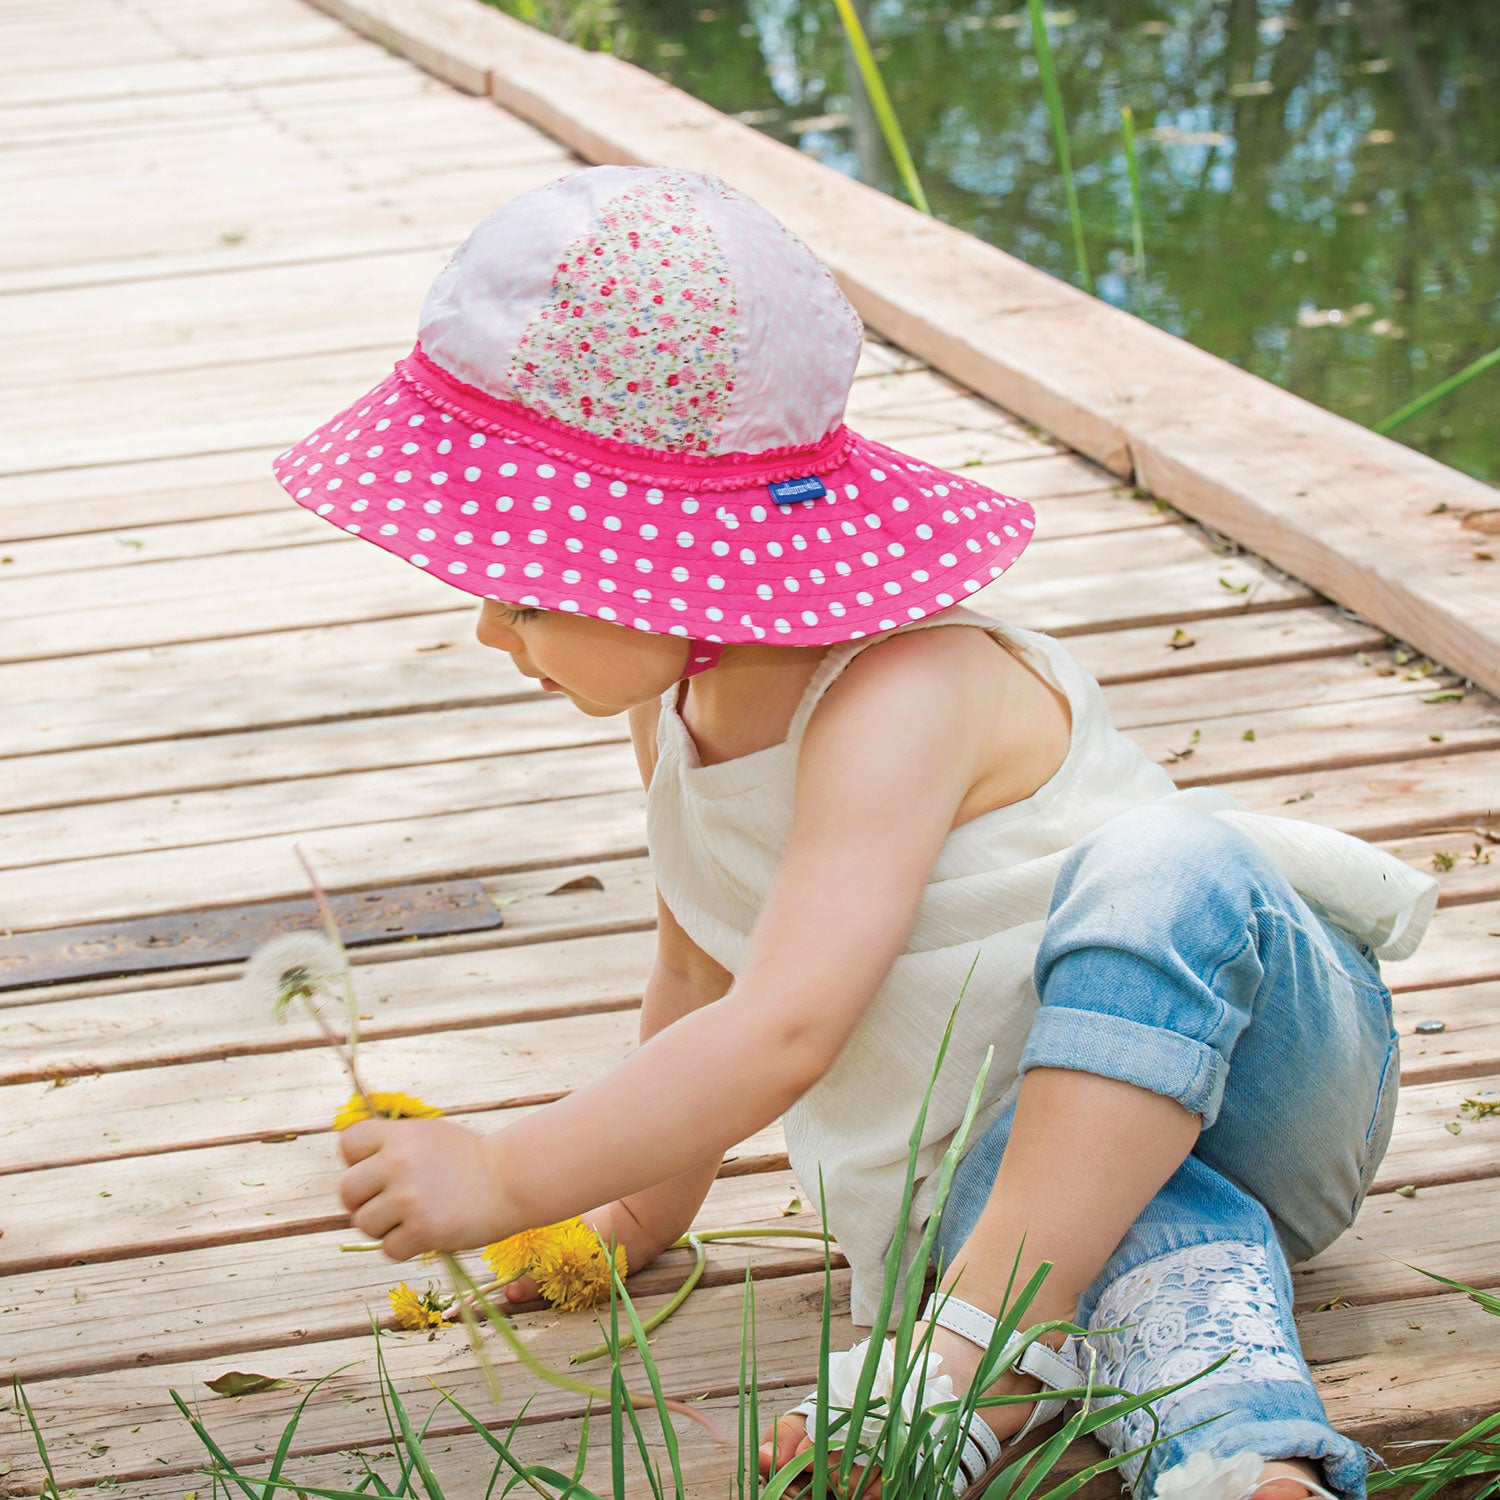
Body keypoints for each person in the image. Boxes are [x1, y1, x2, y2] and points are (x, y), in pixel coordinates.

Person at [274, 166, 1434, 1500]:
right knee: (1049, 1190)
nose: (492, 631)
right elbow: (700, 981)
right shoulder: (682, 710)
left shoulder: (902, 691)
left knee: (1171, 859)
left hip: (1263, 1076)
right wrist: (628, 1216)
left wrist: (507, 1167)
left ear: (674, 563)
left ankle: (959, 1369)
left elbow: (783, 1026)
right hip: (1022, 1205)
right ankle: (1243, 1459)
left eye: (525, 594)